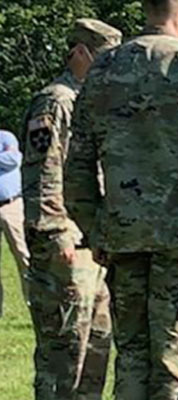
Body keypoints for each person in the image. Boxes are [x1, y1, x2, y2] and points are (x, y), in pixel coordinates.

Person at [64, 1, 178, 399]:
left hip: (122, 240)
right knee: (174, 362)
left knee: (132, 360)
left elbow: (78, 168)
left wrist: (97, 231)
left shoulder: (103, 69)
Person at [22, 19, 121, 400]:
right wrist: (56, 231)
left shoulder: (90, 100)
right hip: (64, 245)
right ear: (80, 53)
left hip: (92, 240)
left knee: (95, 347)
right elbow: (43, 171)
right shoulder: (57, 101)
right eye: (100, 58)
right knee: (64, 353)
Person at [0, 128, 30, 317]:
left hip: (11, 206)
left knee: (24, 256)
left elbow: (13, 160)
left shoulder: (5, 137)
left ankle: (34, 305)